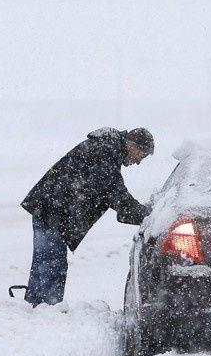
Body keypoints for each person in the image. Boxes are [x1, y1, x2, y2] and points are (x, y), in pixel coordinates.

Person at [20, 127, 154, 306]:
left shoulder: (107, 148)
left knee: (44, 263)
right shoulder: (107, 150)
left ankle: (34, 306)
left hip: (50, 208)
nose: (138, 162)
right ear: (133, 145)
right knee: (52, 264)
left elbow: (112, 191)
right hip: (53, 210)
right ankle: (47, 309)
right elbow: (114, 191)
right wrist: (147, 215)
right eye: (141, 156)